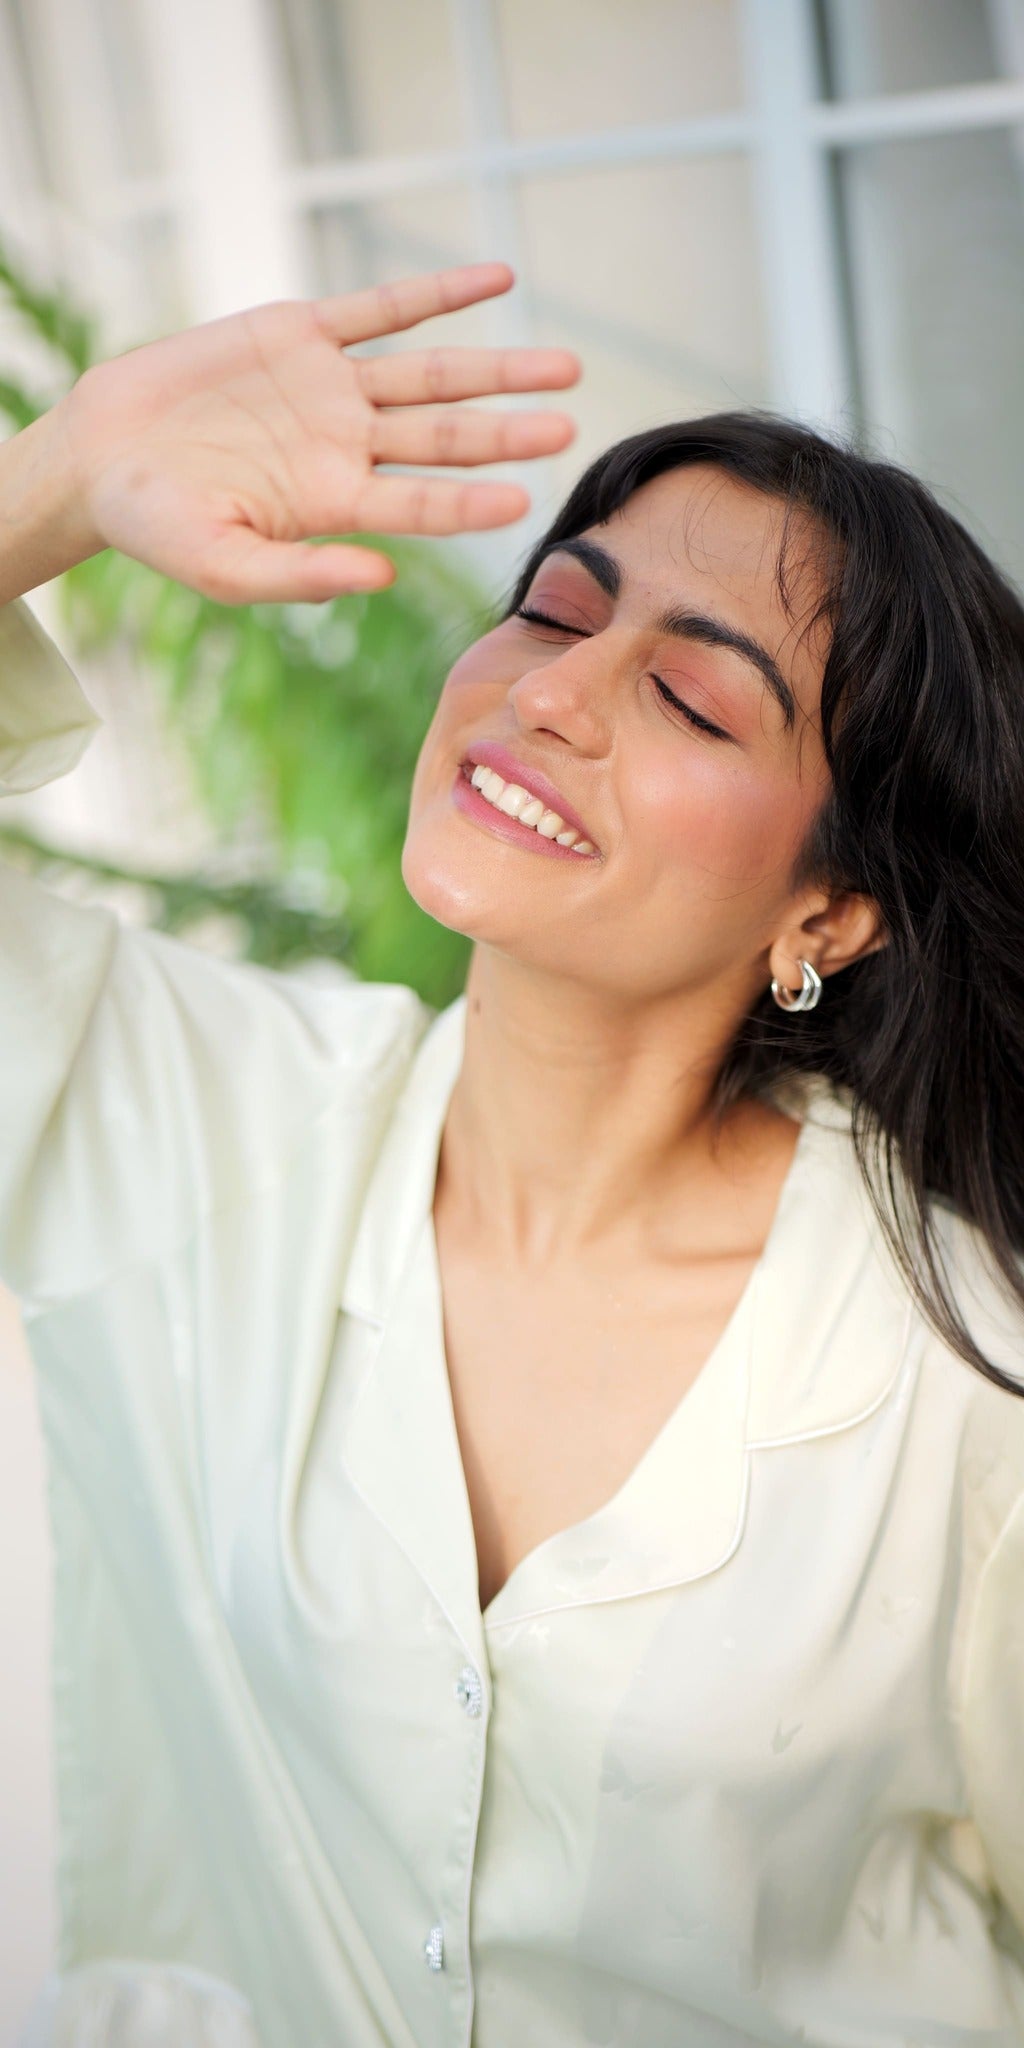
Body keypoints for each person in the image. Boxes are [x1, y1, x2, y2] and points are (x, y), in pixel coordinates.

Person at [4, 260, 1024, 2048]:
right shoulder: (206, 1115)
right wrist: (64, 481)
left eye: (698, 704)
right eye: (557, 612)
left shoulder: (964, 1381)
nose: (556, 693)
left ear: (834, 907)